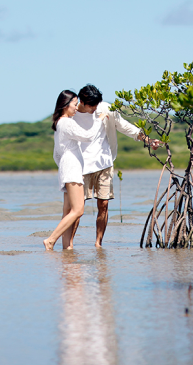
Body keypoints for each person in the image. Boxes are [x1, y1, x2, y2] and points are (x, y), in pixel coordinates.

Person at [67, 84, 160, 247]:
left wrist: (148, 140)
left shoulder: (106, 109)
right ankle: (69, 245)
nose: (95, 108)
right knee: (77, 210)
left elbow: (125, 127)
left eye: (97, 105)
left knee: (103, 205)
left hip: (104, 164)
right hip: (80, 167)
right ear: (82, 101)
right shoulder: (71, 115)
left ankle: (98, 244)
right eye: (92, 106)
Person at [43, 90, 109, 251]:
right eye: (74, 104)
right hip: (71, 168)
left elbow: (56, 153)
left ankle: (67, 248)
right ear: (65, 105)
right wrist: (99, 120)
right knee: (78, 210)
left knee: (68, 211)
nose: (76, 107)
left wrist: (63, 166)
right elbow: (87, 136)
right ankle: (51, 240)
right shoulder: (66, 122)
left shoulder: (60, 122)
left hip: (68, 167)